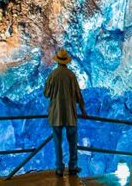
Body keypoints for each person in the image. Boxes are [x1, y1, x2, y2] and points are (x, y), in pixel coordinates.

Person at [44, 48, 87, 177]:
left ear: (57, 61)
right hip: (70, 114)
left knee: (57, 141)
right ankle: (72, 166)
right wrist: (83, 109)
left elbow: (46, 94)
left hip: (56, 114)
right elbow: (78, 94)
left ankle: (59, 168)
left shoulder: (53, 75)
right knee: (72, 141)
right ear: (66, 62)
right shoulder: (71, 75)